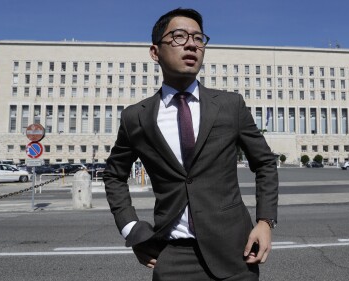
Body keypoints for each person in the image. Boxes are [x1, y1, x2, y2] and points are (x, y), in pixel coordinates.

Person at [104, 8, 278, 281]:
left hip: (236, 253)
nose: (191, 44)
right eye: (178, 36)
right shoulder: (135, 117)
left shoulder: (230, 106)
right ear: (154, 52)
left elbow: (265, 162)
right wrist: (132, 230)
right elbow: (114, 175)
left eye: (198, 38)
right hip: (171, 255)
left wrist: (265, 222)